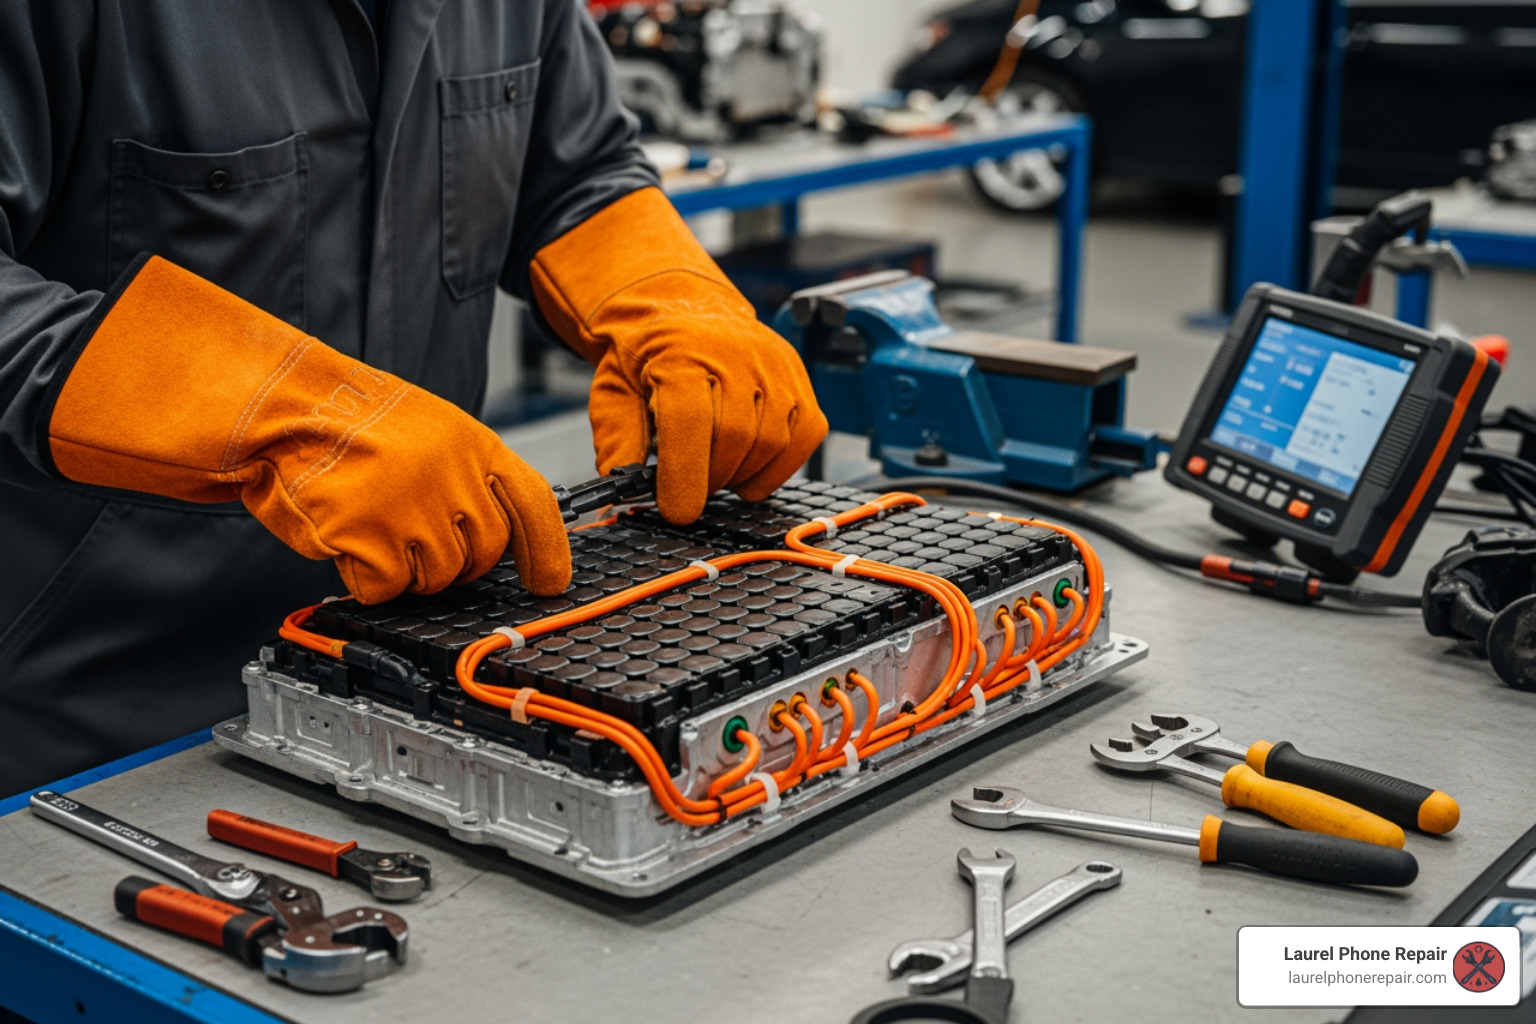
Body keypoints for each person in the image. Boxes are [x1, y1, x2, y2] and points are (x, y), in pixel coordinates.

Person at [0, 1, 827, 794]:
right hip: (109, 692)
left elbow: (574, 170)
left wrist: (672, 302)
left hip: (428, 654)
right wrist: (281, 419)